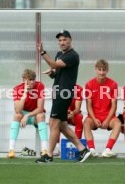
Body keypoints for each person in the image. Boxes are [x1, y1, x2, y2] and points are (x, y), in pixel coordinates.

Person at [35, 30, 91, 163]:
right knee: (62, 125)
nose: (62, 42)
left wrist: (43, 52)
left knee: (53, 122)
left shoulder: (73, 55)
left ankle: (48, 155)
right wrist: (52, 73)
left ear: (70, 40)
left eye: (65, 39)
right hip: (58, 91)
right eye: (60, 40)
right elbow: (56, 71)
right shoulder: (59, 54)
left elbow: (54, 64)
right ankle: (83, 149)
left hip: (64, 93)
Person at [84, 59, 121, 158]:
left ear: (107, 71)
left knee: (118, 123)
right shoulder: (89, 84)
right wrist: (94, 118)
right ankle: (92, 150)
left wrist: (108, 119)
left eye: (104, 70)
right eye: (99, 69)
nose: (101, 72)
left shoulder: (113, 84)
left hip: (108, 116)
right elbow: (89, 105)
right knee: (86, 122)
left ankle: (107, 150)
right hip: (94, 116)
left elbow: (114, 105)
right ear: (95, 69)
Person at [7, 69, 48, 158]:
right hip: (22, 115)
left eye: (33, 79)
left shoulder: (40, 86)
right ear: (24, 80)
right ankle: (11, 150)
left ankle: (45, 150)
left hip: (34, 115)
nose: (32, 82)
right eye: (29, 80)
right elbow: (18, 110)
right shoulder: (17, 88)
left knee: (41, 115)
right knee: (17, 115)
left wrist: (27, 115)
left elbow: (40, 109)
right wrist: (25, 93)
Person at [53, 84, 84, 156]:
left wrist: (72, 113)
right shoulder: (58, 88)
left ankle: (78, 147)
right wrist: (66, 111)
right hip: (62, 113)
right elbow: (57, 105)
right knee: (56, 119)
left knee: (79, 117)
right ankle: (56, 146)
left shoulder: (79, 88)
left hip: (73, 115)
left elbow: (77, 108)